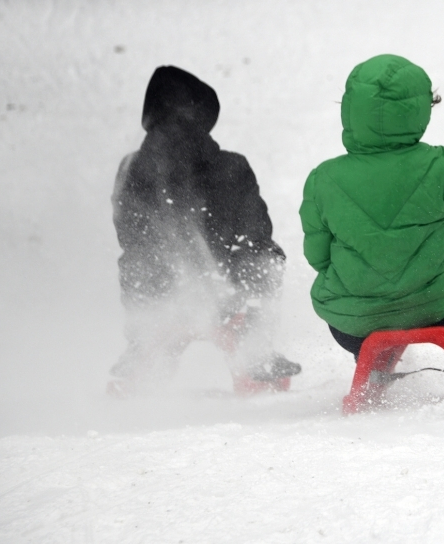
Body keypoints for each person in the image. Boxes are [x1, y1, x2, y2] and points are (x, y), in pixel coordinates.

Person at [300, 54, 444, 361]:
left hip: (351, 327)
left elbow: (317, 256)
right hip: (434, 309)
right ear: (418, 109)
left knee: (367, 308)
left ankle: (377, 366)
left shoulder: (323, 179)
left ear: (351, 110)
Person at [111, 66, 301, 394]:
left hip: (154, 301)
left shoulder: (130, 168)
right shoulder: (232, 167)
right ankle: (255, 349)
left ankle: (142, 352)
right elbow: (255, 234)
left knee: (137, 262)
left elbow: (128, 235)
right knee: (265, 257)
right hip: (226, 298)